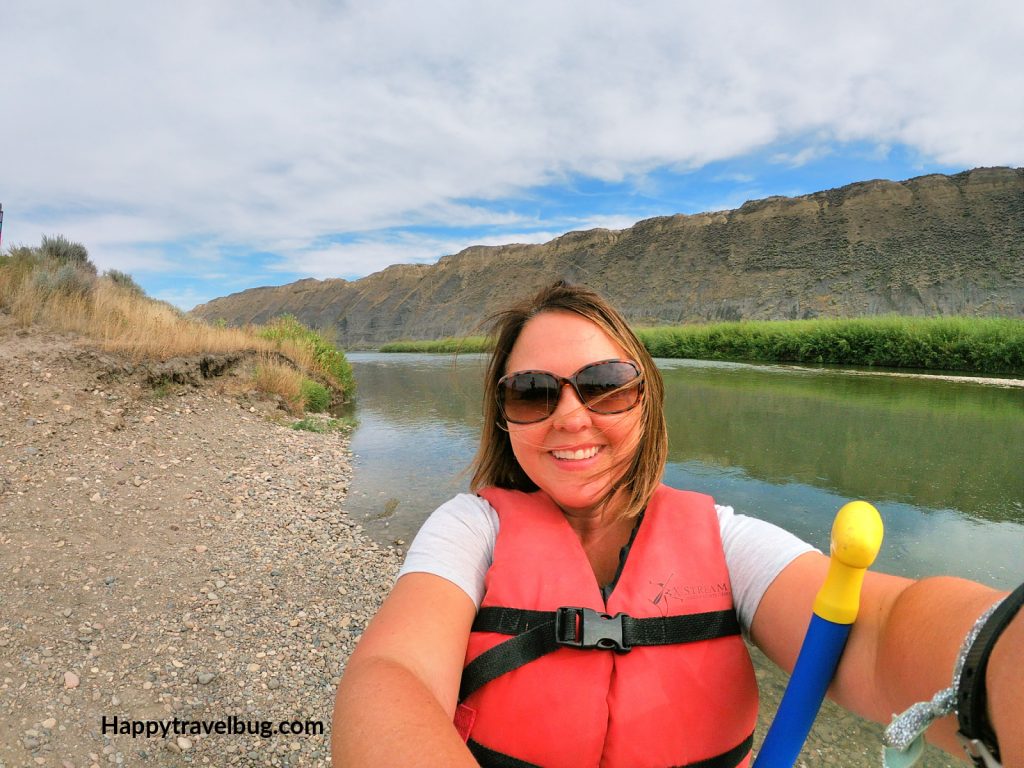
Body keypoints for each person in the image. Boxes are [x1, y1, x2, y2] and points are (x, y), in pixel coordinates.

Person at [332, 281, 1022, 767]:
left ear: (646, 400)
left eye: (604, 384)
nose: (572, 416)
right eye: (534, 392)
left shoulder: (725, 541)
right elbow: (391, 676)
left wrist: (997, 658)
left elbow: (880, 633)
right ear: (503, 416)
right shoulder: (468, 530)